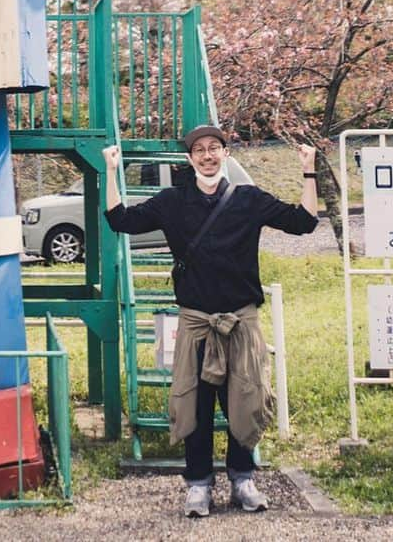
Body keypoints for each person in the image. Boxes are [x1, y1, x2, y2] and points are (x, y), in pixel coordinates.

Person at [103, 127, 318, 517]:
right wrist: (111, 169)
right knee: (196, 407)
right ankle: (198, 485)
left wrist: (309, 171)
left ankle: (243, 479)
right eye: (199, 150)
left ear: (225, 153)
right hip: (197, 323)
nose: (207, 155)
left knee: (245, 402)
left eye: (214, 148)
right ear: (189, 159)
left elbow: (303, 222)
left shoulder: (248, 199)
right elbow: (120, 220)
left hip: (241, 321)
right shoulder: (173, 201)